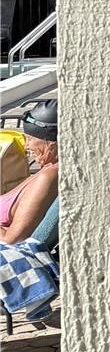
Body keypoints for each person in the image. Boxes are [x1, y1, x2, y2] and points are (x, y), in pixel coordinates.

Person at [0, 100, 58, 244]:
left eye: (31, 139)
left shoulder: (49, 177)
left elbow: (12, 241)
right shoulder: (48, 168)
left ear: (51, 142)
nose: (26, 146)